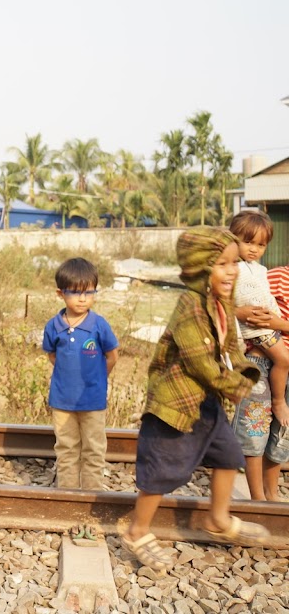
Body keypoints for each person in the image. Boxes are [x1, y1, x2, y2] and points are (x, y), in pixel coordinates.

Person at [121, 227, 270, 570]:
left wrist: (246, 373)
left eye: (234, 263)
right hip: (175, 405)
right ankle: (136, 530)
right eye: (223, 264)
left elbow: (231, 347)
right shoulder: (189, 305)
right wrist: (237, 385)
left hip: (205, 402)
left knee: (230, 456)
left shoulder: (221, 304)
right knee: (161, 470)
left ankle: (218, 519)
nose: (233, 270)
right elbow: (199, 362)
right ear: (202, 268)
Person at [42, 258, 119, 489]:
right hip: (62, 401)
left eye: (88, 292)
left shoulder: (99, 325)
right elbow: (52, 355)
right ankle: (68, 494)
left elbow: (112, 356)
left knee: (94, 449)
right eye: (75, 293)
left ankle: (92, 494)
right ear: (60, 293)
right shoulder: (53, 326)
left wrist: (98, 379)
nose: (83, 299)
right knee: (66, 448)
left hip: (92, 400)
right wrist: (68, 378)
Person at [231, 257, 289, 502]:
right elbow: (235, 304)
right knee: (254, 430)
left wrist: (279, 323)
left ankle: (271, 494)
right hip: (261, 363)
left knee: (283, 435)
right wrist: (238, 312)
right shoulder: (273, 277)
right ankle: (258, 499)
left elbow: (270, 320)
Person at [228, 210, 289, 430]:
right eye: (248, 242)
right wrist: (238, 312)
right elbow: (219, 300)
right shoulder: (233, 268)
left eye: (261, 245)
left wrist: (279, 322)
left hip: (268, 329)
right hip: (258, 338)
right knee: (284, 360)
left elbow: (266, 299)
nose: (254, 249)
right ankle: (279, 401)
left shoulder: (259, 270)